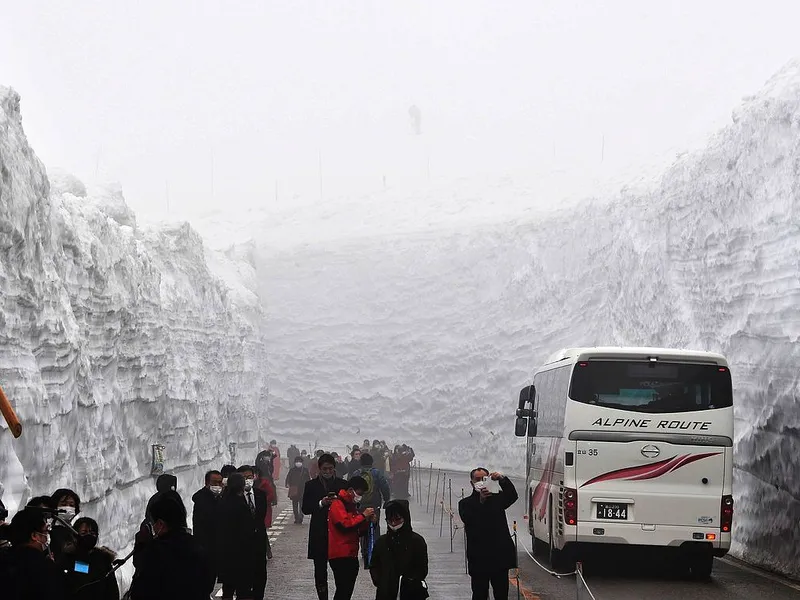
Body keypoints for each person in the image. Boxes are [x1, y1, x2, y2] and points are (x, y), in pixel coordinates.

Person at [129, 490, 214, 600]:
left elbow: (141, 589)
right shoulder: (197, 545)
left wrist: (141, 547)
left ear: (160, 524)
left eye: (153, 523)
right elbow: (208, 583)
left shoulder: (154, 552)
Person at [458, 469, 518, 600]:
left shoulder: (498, 499)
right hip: (479, 558)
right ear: (471, 483)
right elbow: (468, 519)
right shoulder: (465, 504)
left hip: (499, 557)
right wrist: (481, 502)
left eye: (484, 479)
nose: (480, 482)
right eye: (477, 480)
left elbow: (513, 495)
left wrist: (502, 479)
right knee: (479, 594)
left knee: (501, 594)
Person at [302, 453, 348, 600]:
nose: (327, 472)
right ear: (319, 469)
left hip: (338, 534)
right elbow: (305, 508)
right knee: (320, 572)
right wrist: (321, 503)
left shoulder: (342, 485)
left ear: (334, 468)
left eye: (330, 469)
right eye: (324, 469)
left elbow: (350, 507)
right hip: (319, 533)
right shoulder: (311, 485)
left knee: (341, 572)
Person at [0, 507, 65, 599]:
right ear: (34, 535)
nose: (47, 537)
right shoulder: (44, 567)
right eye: (45, 532)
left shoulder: (5, 559)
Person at [369, 499, 428, 600]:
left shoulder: (417, 541)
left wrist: (410, 580)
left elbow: (422, 567)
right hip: (386, 592)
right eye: (390, 520)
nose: (393, 523)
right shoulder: (381, 542)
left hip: (411, 592)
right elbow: (374, 564)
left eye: (397, 519)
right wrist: (380, 581)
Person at [328, 476, 375, 600]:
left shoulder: (351, 506)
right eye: (359, 493)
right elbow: (345, 526)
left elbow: (357, 530)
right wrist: (363, 516)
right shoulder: (337, 504)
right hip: (340, 554)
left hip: (350, 554)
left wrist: (368, 521)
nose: (360, 496)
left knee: (346, 591)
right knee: (343, 590)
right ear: (350, 490)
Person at [218, 474, 255, 600]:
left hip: (226, 553)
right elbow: (247, 530)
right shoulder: (241, 504)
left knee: (228, 590)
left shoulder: (223, 502)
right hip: (241, 554)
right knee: (243, 590)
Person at [63, 516, 120, 600]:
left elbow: (112, 589)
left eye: (93, 533)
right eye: (84, 533)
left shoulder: (103, 558)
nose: (89, 536)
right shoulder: (68, 558)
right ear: (75, 535)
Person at [352, 453, 391, 568]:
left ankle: (364, 552)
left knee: (360, 527)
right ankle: (375, 552)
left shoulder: (356, 473)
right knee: (374, 527)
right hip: (374, 505)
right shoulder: (377, 473)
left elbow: (350, 488)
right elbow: (385, 487)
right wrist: (387, 500)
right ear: (372, 462)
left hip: (360, 506)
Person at [240, 464, 270, 600]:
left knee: (260, 576)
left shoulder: (260, 495)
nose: (248, 480)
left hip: (259, 543)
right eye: (244, 477)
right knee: (243, 579)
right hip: (242, 545)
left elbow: (261, 517)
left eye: (250, 477)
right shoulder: (235, 497)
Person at [192, 470, 223, 579]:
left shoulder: (220, 498)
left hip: (217, 545)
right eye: (214, 483)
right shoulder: (202, 499)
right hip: (205, 545)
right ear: (207, 483)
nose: (218, 486)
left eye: (220, 483)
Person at [50, 488, 81, 563]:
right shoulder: (50, 532)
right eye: (63, 504)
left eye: (71, 505)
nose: (68, 508)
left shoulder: (76, 531)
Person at [285, 456, 311, 524]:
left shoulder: (305, 470)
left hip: (303, 489)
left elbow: (308, 480)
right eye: (297, 462)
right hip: (294, 489)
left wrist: (309, 488)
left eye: (299, 462)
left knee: (302, 505)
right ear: (295, 463)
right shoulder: (292, 470)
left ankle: (300, 517)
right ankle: (296, 517)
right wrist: (287, 484)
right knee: (295, 505)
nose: (298, 463)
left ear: (302, 463)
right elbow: (288, 478)